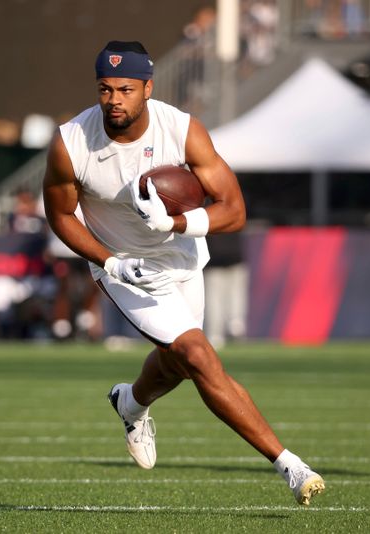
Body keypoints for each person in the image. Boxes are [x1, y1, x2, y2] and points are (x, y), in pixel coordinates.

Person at [42, 40, 325, 505]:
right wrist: (110, 262)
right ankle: (290, 464)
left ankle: (130, 403)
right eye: (105, 89)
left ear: (147, 89)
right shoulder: (71, 141)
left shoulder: (182, 129)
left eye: (126, 89)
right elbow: (62, 216)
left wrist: (174, 222)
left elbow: (233, 210)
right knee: (197, 354)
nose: (114, 99)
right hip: (125, 269)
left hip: (184, 257)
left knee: (178, 362)